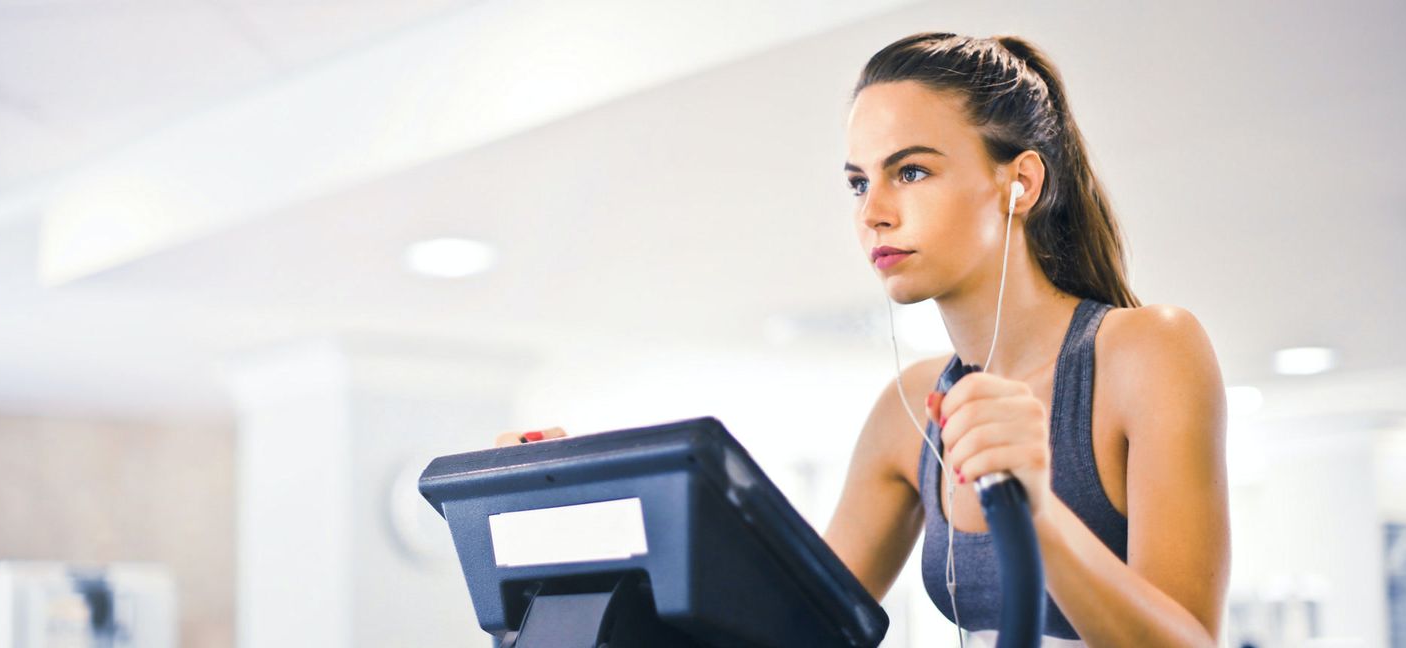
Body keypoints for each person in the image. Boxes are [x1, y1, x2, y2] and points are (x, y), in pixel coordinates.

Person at [498, 32, 1229, 647]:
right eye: (858, 183)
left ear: (1021, 183)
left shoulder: (1146, 351)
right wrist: (568, 534)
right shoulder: (911, 407)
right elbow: (790, 634)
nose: (873, 212)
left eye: (910, 171)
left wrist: (1036, 509)